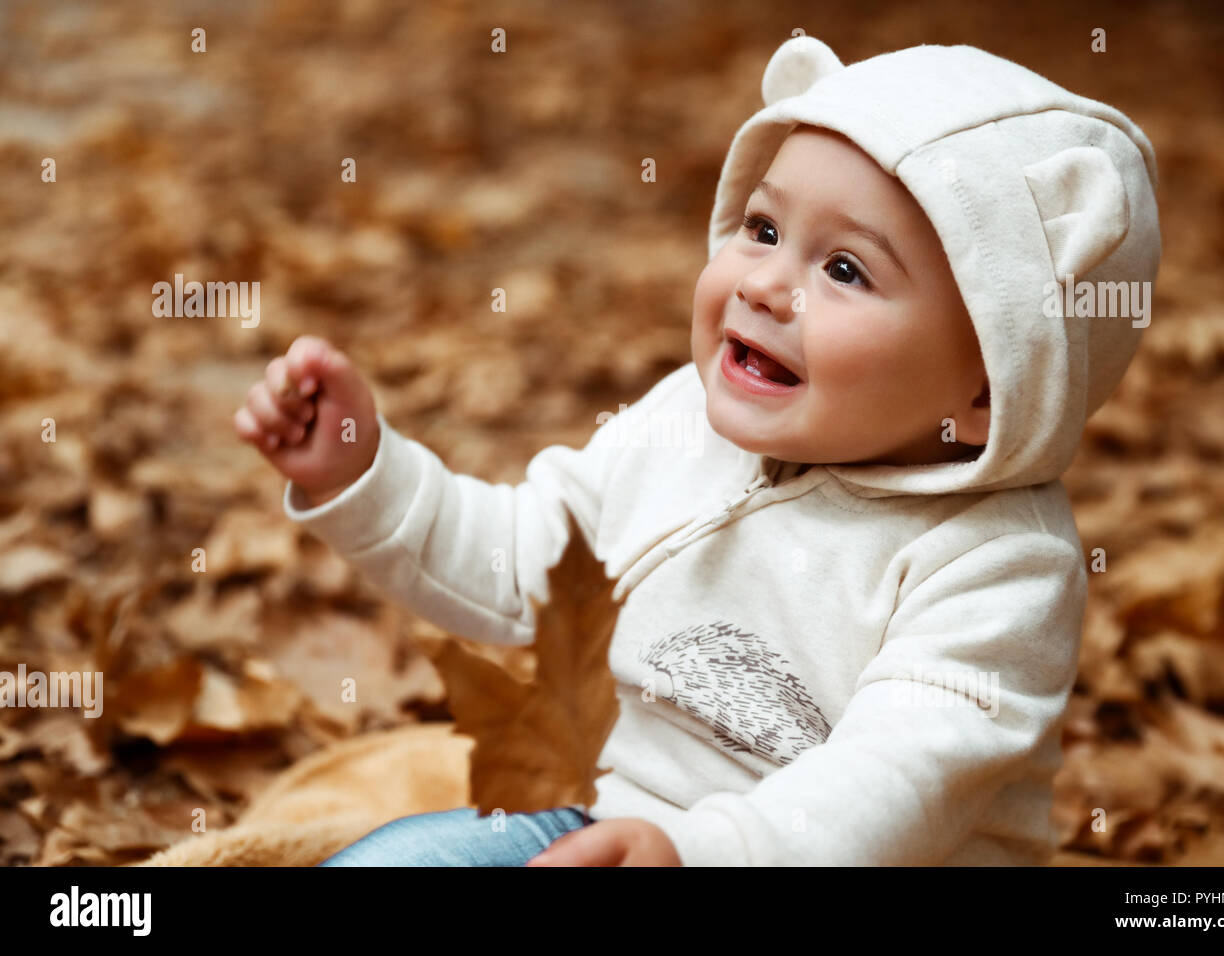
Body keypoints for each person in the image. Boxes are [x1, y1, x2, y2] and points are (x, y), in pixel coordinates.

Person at [234, 35, 1161, 866]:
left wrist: (696, 849)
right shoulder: (685, 423)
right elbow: (526, 561)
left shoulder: (998, 565)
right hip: (607, 827)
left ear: (993, 375)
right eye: (762, 229)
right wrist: (366, 472)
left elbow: (895, 784)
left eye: (845, 270)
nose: (763, 284)